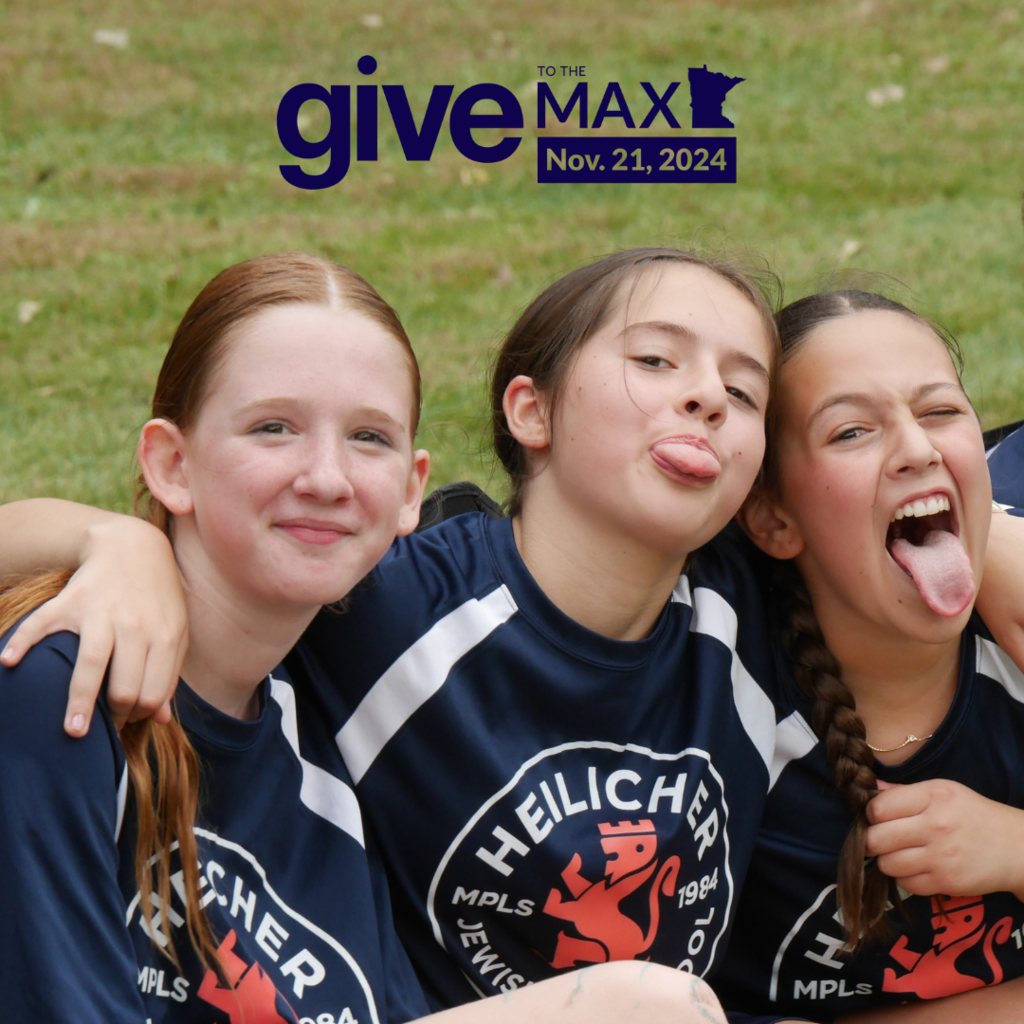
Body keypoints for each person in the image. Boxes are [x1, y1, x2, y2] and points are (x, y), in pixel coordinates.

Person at [6, 251, 1024, 1012]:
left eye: (741, 388)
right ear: (527, 411)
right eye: (656, 357)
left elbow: (920, 486)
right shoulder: (375, 611)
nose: (706, 392)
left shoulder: (747, 607)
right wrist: (107, 541)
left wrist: (989, 545)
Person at [0, 251, 728, 1024]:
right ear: (170, 464)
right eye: (273, 428)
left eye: (369, 439)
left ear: (413, 491)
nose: (326, 476)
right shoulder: (65, 685)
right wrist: (110, 539)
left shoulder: (322, 727)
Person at [714, 290, 1024, 1023]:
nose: (918, 449)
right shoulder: (714, 695)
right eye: (852, 431)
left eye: (942, 412)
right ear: (772, 515)